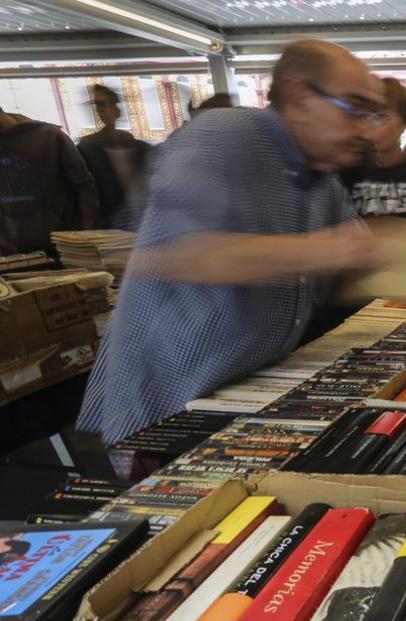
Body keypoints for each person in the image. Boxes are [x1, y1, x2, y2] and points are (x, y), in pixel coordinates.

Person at [78, 39, 385, 444]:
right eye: (355, 109)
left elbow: (361, 254)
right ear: (298, 97)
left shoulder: (321, 179)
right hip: (164, 409)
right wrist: (337, 249)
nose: (365, 130)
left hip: (241, 401)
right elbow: (175, 254)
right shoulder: (224, 136)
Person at [342, 78, 406, 223]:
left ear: (403, 123)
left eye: (380, 118)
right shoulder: (347, 174)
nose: (369, 127)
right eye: (365, 116)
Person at [0, 106, 99, 256]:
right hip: (14, 255)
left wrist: (86, 234)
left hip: (63, 247)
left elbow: (84, 187)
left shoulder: (50, 137)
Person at [77, 84, 152, 228]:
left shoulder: (142, 149)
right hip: (111, 227)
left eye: (106, 104)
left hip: (145, 223)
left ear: (117, 108)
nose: (102, 110)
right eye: (98, 105)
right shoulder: (87, 149)